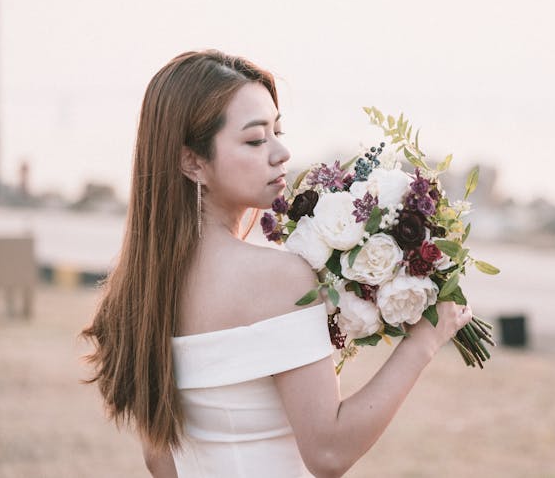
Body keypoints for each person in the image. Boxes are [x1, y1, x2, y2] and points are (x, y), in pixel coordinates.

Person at [81, 49, 474, 478]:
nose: (281, 152)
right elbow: (328, 452)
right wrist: (423, 343)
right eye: (255, 139)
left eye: (277, 131)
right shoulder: (278, 278)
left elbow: (161, 460)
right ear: (192, 161)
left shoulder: (139, 288)